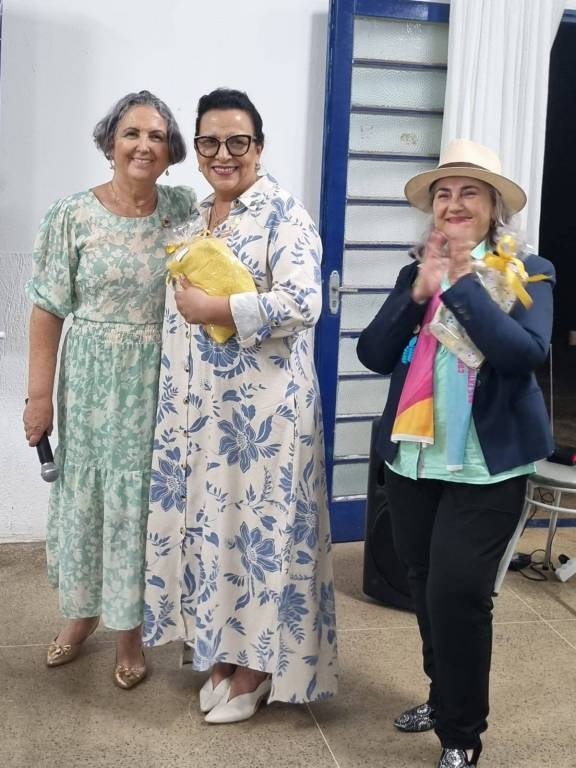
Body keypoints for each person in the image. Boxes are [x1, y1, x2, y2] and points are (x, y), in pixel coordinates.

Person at [357, 139, 554, 768]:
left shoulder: (530, 271)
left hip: (485, 466)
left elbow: (525, 354)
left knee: (459, 595)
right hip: (413, 459)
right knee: (423, 584)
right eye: (443, 193)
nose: (454, 202)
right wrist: (418, 292)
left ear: (495, 206)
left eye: (470, 191)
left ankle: (462, 734)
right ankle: (443, 697)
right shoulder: (414, 273)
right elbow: (373, 354)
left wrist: (463, 286)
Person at [143, 88, 338, 722]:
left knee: (262, 537)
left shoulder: (285, 214)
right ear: (197, 147)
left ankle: (258, 668)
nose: (222, 154)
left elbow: (304, 303)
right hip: (207, 415)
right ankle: (224, 656)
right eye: (209, 142)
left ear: (259, 145)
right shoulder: (199, 217)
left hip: (267, 416)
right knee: (219, 535)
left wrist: (219, 307)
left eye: (238, 141)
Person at [23, 90, 195, 688]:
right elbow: (47, 309)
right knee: (87, 496)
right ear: (110, 143)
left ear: (170, 151)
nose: (144, 145)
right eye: (131, 133)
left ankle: (130, 631)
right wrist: (38, 398)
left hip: (159, 378)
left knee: (139, 501)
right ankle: (82, 613)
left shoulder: (183, 208)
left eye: (156, 136)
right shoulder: (72, 214)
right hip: (90, 382)